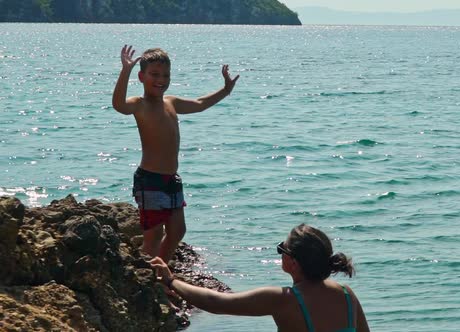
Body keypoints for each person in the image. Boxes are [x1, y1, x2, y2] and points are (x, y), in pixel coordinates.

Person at [112, 45, 239, 263]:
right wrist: (126, 71)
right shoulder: (139, 104)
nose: (160, 79)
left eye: (165, 75)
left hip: (171, 179)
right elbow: (118, 105)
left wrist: (225, 90)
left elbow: (200, 104)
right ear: (141, 77)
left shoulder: (171, 102)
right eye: (154, 74)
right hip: (149, 179)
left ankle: (161, 270)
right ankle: (145, 276)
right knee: (153, 237)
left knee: (178, 231)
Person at [150, 224, 370, 332]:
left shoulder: (284, 299)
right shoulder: (347, 295)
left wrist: (172, 281)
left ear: (293, 262)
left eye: (281, 249)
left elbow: (215, 302)